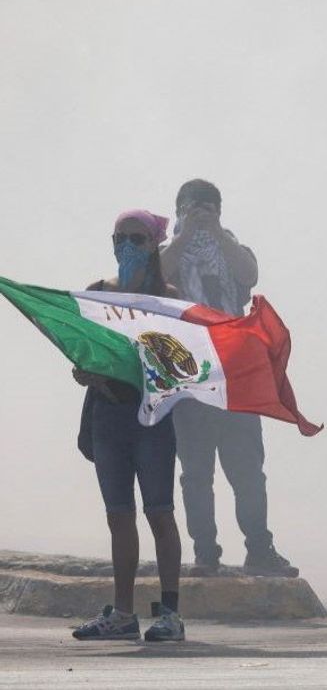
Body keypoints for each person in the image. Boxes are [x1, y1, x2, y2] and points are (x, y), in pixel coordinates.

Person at [160, 179, 297, 577]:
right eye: (193, 207)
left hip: (236, 373)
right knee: (196, 473)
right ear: (180, 209)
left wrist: (217, 234)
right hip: (189, 375)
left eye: (209, 207)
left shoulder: (233, 248)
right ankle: (205, 552)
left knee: (247, 469)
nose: (202, 214)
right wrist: (185, 237)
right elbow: (158, 277)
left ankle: (259, 548)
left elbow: (249, 274)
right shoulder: (169, 253)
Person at [72, 210, 185, 642]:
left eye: (136, 238)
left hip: (151, 417)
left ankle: (170, 613)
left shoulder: (168, 298)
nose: (126, 246)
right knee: (118, 515)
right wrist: (86, 373)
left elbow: (181, 360)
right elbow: (83, 348)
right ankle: (122, 613)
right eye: (119, 237)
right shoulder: (98, 292)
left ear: (154, 243)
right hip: (107, 414)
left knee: (159, 512)